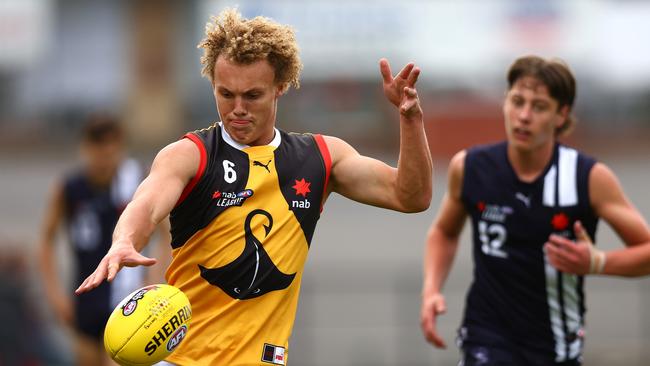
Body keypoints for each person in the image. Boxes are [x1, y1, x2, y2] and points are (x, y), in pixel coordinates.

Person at [75, 8, 432, 366]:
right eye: (226, 94)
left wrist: (410, 119)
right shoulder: (190, 155)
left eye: (252, 95)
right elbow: (147, 204)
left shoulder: (320, 158)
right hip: (182, 360)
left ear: (280, 87)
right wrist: (124, 240)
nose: (238, 109)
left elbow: (411, 196)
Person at [420, 55, 650, 366]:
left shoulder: (588, 177)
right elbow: (444, 232)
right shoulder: (471, 167)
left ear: (561, 114)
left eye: (539, 106)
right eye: (517, 101)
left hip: (556, 345)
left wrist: (598, 262)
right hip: (486, 335)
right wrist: (431, 289)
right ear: (505, 103)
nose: (523, 116)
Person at [38, 114, 171, 366]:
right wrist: (55, 296)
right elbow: (46, 240)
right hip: (86, 294)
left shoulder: (137, 182)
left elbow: (167, 234)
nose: (105, 157)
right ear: (85, 148)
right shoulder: (69, 188)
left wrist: (153, 281)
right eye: (98, 148)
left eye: (111, 149)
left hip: (127, 295)